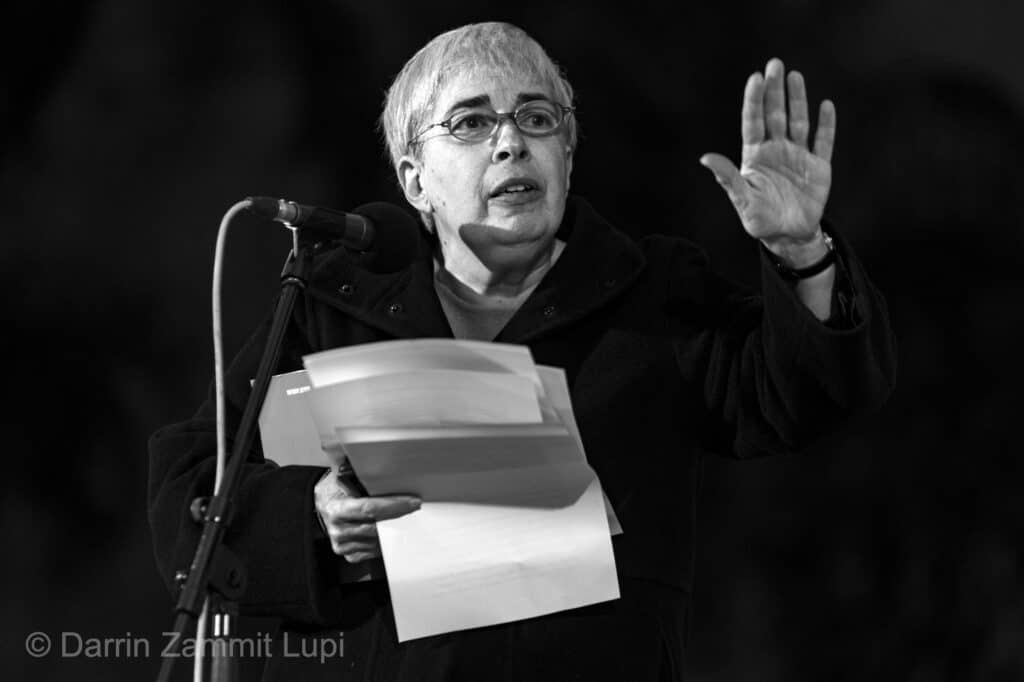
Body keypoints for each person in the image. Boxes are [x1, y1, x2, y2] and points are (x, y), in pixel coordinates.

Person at [148, 21, 895, 682]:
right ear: (415, 180)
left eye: (537, 118)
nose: (511, 142)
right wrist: (314, 516)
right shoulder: (334, 305)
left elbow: (809, 392)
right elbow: (191, 491)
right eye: (471, 123)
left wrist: (802, 252)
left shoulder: (652, 297)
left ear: (567, 153)